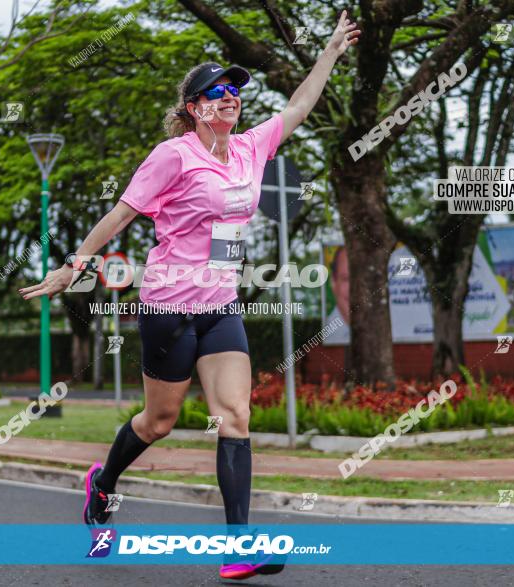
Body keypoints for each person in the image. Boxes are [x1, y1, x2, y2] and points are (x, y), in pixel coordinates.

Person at [19, 11, 361, 581]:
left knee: (235, 415)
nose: (231, 98)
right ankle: (101, 488)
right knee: (159, 422)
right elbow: (121, 213)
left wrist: (328, 52)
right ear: (195, 107)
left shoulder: (251, 149)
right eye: (218, 92)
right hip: (169, 307)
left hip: (220, 306)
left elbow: (298, 106)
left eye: (235, 92)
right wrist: (73, 265)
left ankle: (237, 547)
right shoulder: (172, 155)